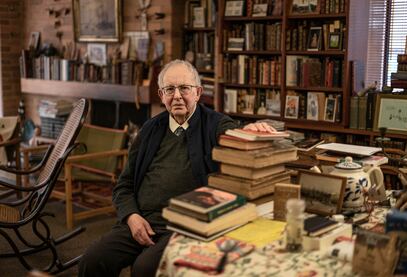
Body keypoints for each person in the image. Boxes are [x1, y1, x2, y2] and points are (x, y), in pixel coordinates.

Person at [78, 60, 276, 277]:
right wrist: (131, 216)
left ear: (198, 92)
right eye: (170, 89)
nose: (177, 95)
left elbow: (233, 135)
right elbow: (123, 185)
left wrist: (248, 132)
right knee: (93, 261)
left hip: (185, 226)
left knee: (144, 269)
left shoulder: (215, 124)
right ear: (161, 96)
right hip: (141, 220)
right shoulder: (149, 129)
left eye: (184, 88)